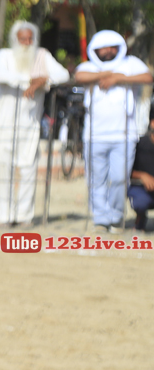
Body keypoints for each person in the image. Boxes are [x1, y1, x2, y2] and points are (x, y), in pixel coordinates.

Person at [0, 21, 69, 225]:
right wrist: (33, 79)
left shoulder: (41, 56)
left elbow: (64, 75)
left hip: (30, 123)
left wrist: (44, 80)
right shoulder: (4, 55)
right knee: (4, 169)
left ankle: (24, 216)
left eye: (31, 39)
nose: (27, 43)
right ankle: (5, 217)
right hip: (4, 122)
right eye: (23, 39)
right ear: (15, 39)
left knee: (29, 169)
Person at [73, 30, 153, 231]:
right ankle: (100, 219)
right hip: (94, 136)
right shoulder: (89, 66)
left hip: (124, 135)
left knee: (119, 178)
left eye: (112, 47)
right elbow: (79, 76)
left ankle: (116, 217)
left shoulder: (130, 63)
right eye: (104, 47)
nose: (108, 51)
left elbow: (147, 76)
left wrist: (119, 78)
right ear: (95, 49)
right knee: (96, 179)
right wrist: (106, 75)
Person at [127, 108, 154, 232]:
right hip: (141, 188)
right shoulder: (139, 144)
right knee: (140, 201)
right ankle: (140, 218)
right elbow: (126, 171)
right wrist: (142, 176)